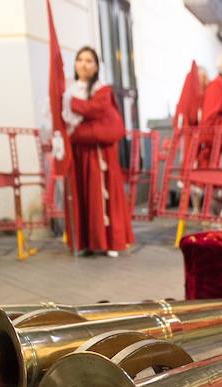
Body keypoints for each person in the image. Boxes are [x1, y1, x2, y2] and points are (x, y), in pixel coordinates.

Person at [62, 46, 133, 256]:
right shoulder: (70, 89)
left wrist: (69, 103)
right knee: (81, 194)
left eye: (89, 60)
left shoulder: (102, 90)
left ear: (96, 67)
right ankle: (84, 242)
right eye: (80, 59)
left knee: (103, 193)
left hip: (100, 152)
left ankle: (111, 241)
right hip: (78, 153)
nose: (83, 64)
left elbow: (95, 110)